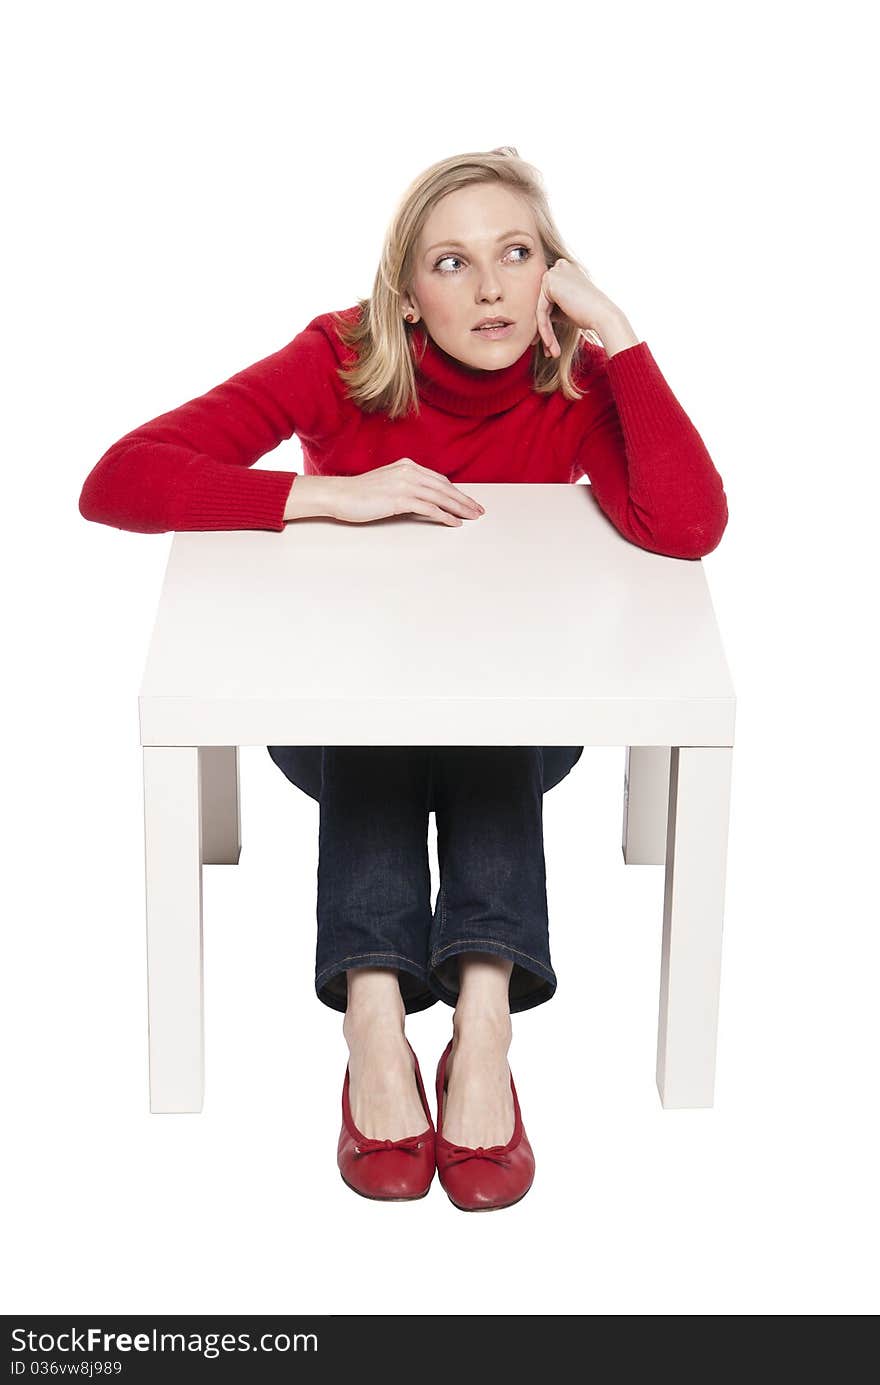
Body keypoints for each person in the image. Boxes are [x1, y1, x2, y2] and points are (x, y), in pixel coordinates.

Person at [79, 145, 729, 1211]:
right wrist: (321, 497)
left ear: (550, 270)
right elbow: (119, 479)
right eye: (452, 262)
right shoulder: (340, 354)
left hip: (519, 716)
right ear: (409, 297)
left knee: (485, 740)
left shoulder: (572, 369)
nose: (490, 289)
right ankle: (374, 1014)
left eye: (516, 255)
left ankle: (483, 1020)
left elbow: (685, 521)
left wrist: (616, 328)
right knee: (377, 734)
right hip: (337, 718)